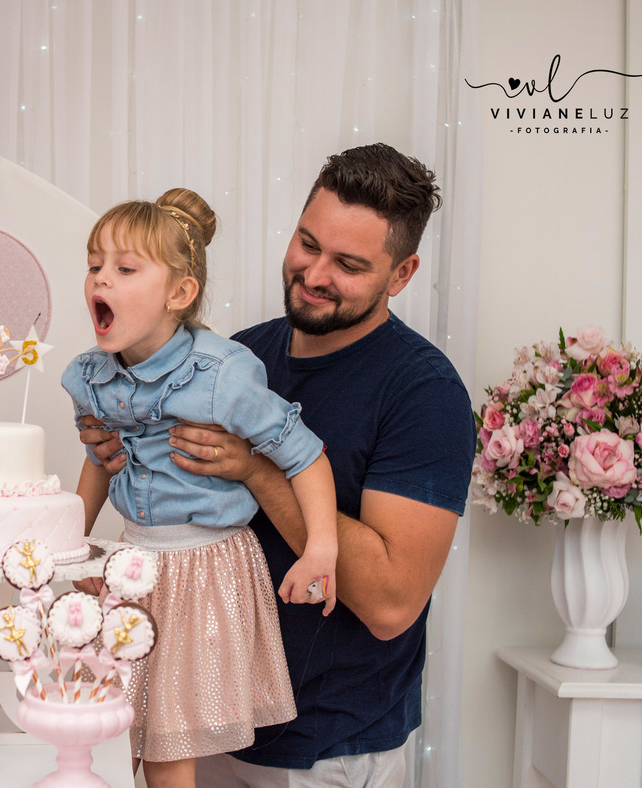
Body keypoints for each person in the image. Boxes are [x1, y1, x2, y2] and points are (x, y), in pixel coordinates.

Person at [81, 143, 475, 787]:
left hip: (324, 752)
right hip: (200, 718)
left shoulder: (423, 393)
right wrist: (115, 453)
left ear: (401, 274)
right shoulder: (235, 357)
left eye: (348, 264)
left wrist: (257, 470)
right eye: (307, 243)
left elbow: (391, 603)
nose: (314, 274)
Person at [61, 188, 339, 788]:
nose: (100, 279)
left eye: (125, 269)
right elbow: (100, 460)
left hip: (203, 572)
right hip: (132, 562)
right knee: (100, 735)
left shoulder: (220, 375)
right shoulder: (91, 376)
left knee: (168, 754)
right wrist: (70, 546)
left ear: (179, 294)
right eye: (94, 265)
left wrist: (321, 547)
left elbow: (305, 454)